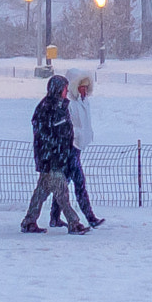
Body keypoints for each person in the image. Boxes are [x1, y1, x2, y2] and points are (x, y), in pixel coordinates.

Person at [22, 74, 88, 234]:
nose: (67, 91)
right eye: (65, 88)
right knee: (62, 192)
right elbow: (46, 135)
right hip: (51, 159)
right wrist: (55, 152)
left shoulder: (58, 107)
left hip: (55, 158)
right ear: (58, 89)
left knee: (42, 191)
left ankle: (29, 222)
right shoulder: (48, 108)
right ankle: (74, 223)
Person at [50, 73, 104, 229]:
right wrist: (77, 136)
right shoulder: (70, 105)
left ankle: (54, 216)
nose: (84, 90)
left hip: (78, 146)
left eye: (86, 87)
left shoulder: (84, 102)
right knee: (79, 182)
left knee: (64, 183)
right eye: (81, 87)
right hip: (71, 147)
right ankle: (90, 217)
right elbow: (69, 126)